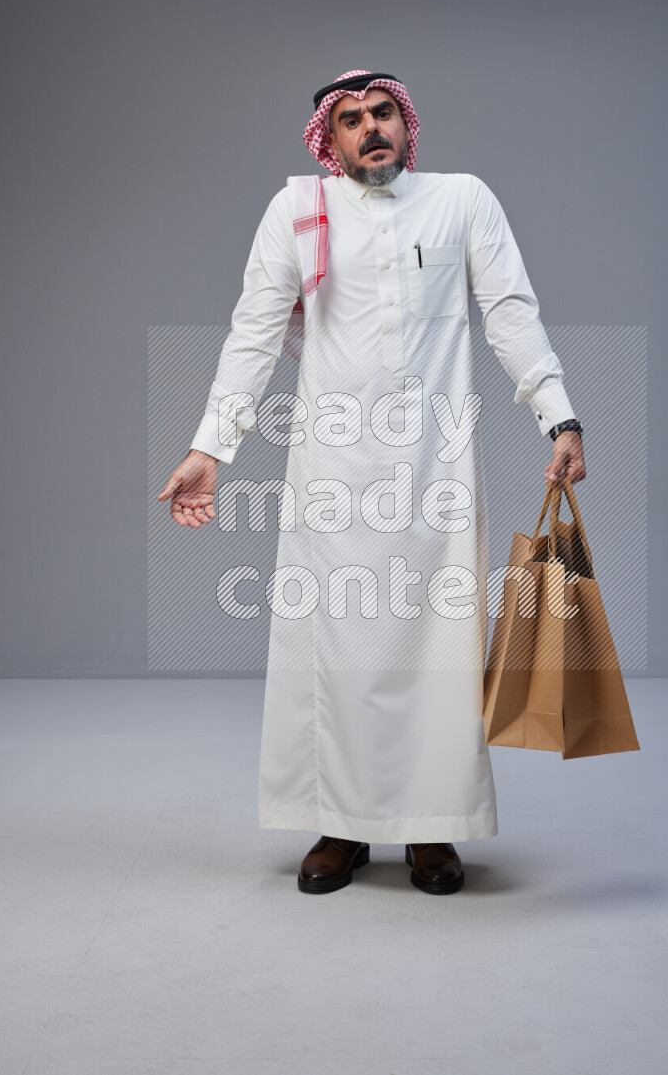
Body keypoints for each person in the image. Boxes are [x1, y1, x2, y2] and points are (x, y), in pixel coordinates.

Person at [157, 70, 586, 896]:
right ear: (330, 138)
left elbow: (509, 311)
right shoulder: (298, 210)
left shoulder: (462, 201)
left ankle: (432, 827)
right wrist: (212, 447)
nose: (369, 129)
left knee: (441, 650)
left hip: (437, 469)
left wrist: (559, 417)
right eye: (350, 120)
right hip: (333, 473)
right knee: (338, 650)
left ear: (406, 122)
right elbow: (254, 332)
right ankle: (341, 824)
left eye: (382, 112)